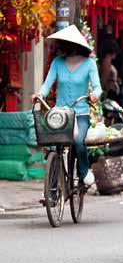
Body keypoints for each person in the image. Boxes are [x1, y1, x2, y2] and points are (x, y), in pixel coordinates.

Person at [33, 25, 102, 185]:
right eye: (63, 44)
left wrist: (94, 95)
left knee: (78, 142)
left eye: (67, 44)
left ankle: (83, 172)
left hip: (80, 114)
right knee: (52, 145)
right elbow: (47, 83)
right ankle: (52, 187)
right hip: (60, 114)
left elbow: (98, 88)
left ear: (76, 45)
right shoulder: (57, 62)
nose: (63, 47)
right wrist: (40, 94)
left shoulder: (89, 64)